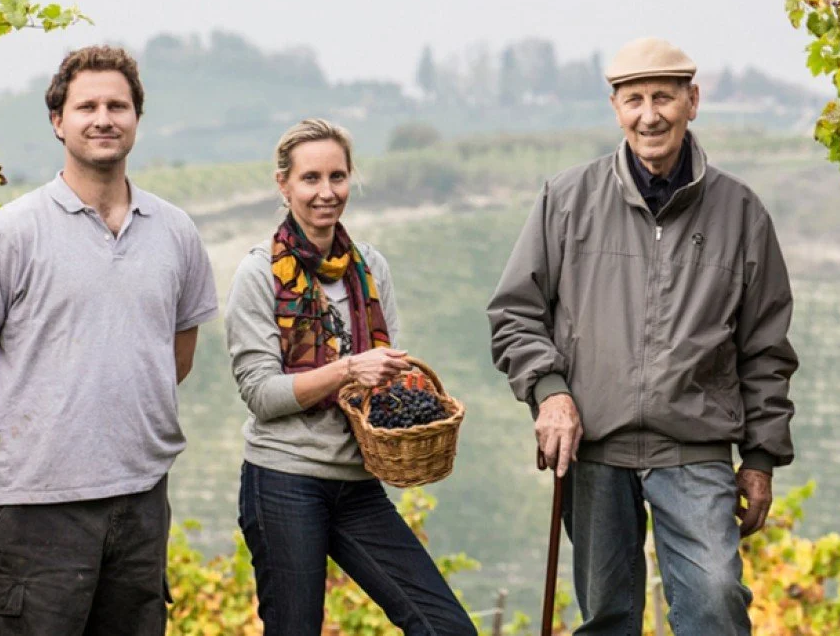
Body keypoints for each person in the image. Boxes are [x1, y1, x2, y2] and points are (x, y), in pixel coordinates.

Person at [487, 37, 799, 634]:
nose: (649, 114)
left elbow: (765, 349)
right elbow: (515, 312)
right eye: (634, 99)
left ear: (693, 102)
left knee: (716, 604)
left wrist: (760, 457)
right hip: (596, 449)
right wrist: (550, 392)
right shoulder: (566, 199)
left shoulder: (741, 212)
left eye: (664, 97)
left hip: (695, 447)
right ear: (615, 107)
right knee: (608, 618)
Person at [0, 45, 219, 634]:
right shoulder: (13, 231)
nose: (103, 117)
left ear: (137, 118)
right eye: (86, 105)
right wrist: (18, 440)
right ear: (57, 121)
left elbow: (175, 354)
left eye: (118, 105)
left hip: (141, 499)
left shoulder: (174, 232)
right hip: (37, 509)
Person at [224, 118, 477, 635]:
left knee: (446, 627)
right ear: (284, 185)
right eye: (310, 178)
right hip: (283, 480)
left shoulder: (370, 268)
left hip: (357, 482)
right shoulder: (258, 274)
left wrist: (402, 392)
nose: (326, 192)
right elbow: (260, 394)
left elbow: (383, 379)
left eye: (337, 177)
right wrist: (345, 370)